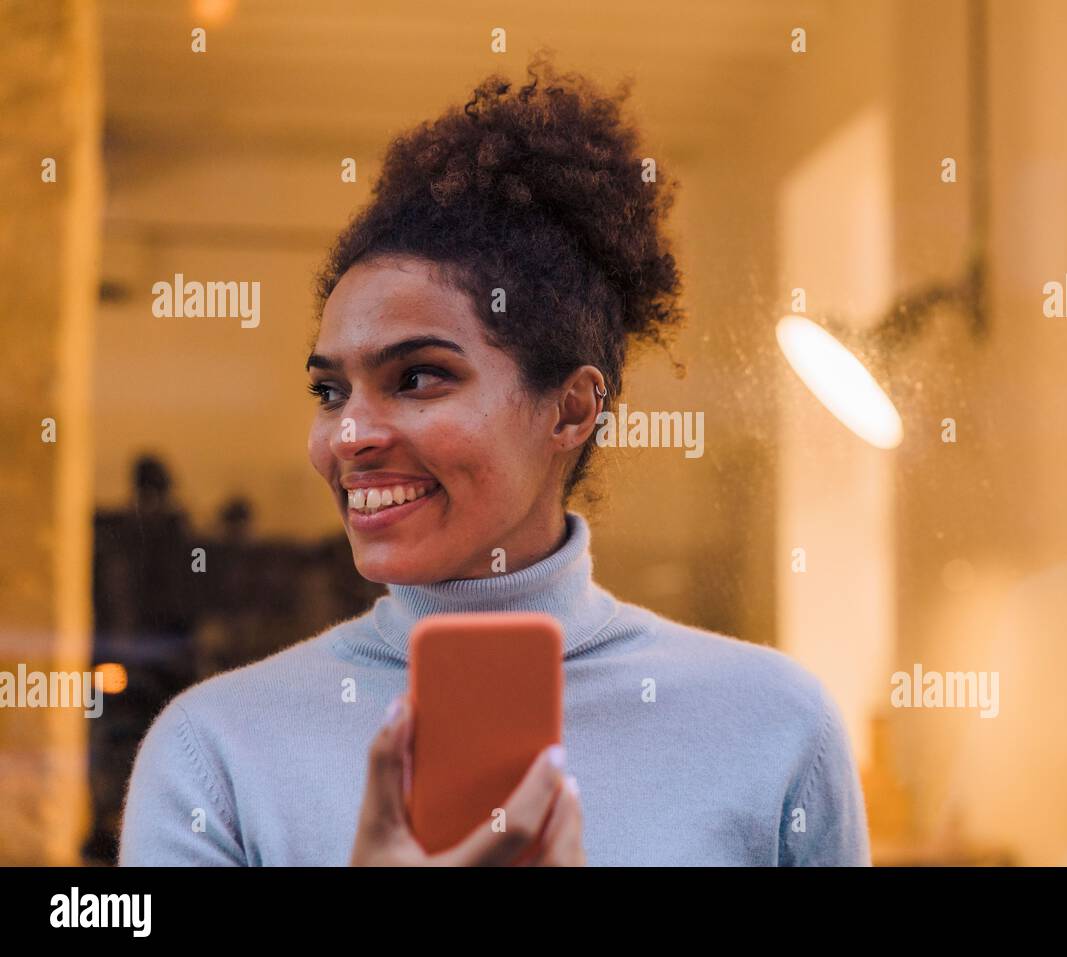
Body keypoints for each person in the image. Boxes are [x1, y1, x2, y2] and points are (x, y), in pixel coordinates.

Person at [118, 54, 870, 866]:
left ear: (572, 408)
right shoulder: (214, 755)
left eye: (417, 377)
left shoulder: (771, 726)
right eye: (332, 391)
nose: (349, 436)